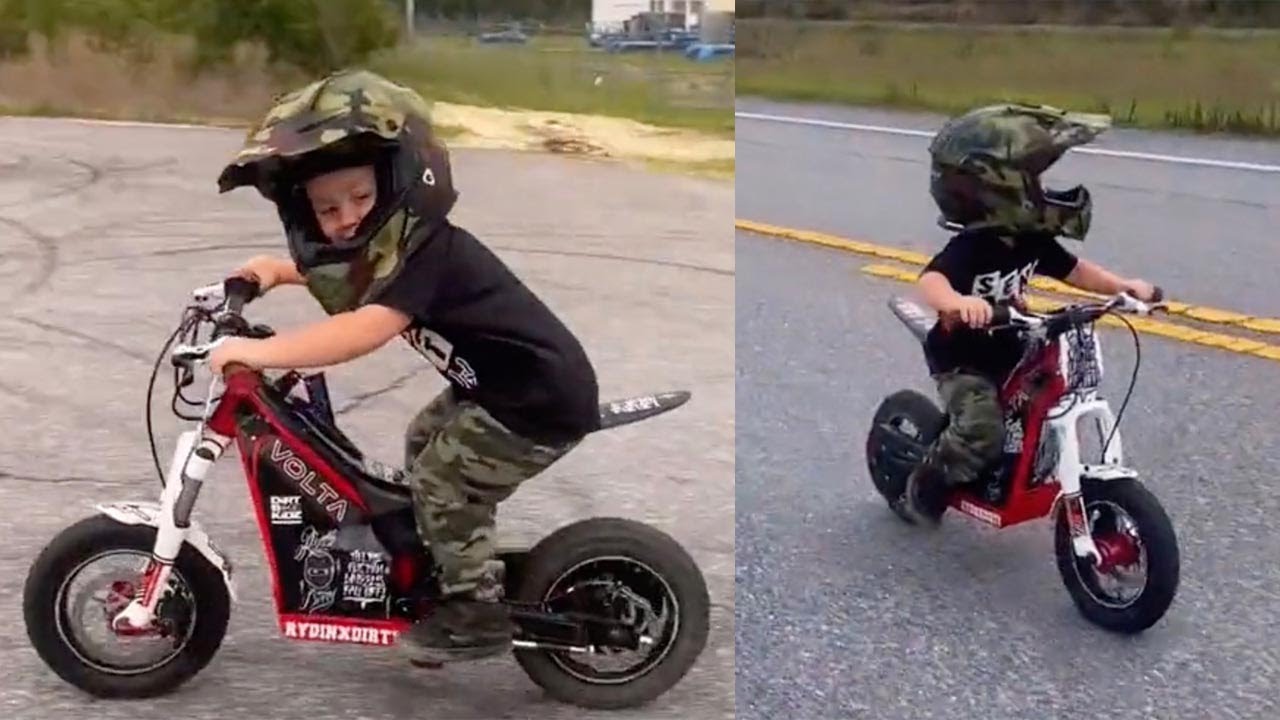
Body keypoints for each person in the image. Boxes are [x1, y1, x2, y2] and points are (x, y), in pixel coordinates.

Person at [209, 69, 602, 662]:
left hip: (537, 401)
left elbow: (362, 328)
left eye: (361, 198)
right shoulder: (397, 251)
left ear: (402, 183)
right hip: (495, 389)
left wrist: (256, 352)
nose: (345, 218)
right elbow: (351, 275)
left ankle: (472, 610)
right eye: (326, 207)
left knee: (445, 478)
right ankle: (440, 560)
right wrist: (272, 269)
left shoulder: (430, 251)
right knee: (422, 442)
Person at [902, 103, 1159, 527]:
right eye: (1033, 180)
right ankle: (927, 485)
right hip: (964, 358)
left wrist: (1122, 287)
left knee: (1056, 396)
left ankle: (1030, 471)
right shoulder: (973, 246)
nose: (1042, 190)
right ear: (998, 188)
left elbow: (1075, 271)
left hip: (1013, 343)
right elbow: (931, 281)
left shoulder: (1030, 239)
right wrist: (957, 304)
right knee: (982, 430)